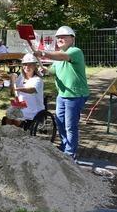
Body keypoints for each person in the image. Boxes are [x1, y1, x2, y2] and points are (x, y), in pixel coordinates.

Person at [33, 26, 89, 158]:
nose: (60, 39)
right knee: (60, 122)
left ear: (72, 39)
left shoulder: (75, 51)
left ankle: (70, 153)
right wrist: (44, 71)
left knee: (70, 125)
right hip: (63, 95)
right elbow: (52, 70)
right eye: (58, 37)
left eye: (63, 37)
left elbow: (63, 57)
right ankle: (65, 145)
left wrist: (43, 53)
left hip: (75, 95)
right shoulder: (57, 59)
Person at [5, 53, 45, 127]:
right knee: (8, 115)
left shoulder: (38, 79)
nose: (27, 67)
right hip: (21, 106)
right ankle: (8, 134)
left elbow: (31, 90)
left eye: (30, 65)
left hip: (33, 109)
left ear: (34, 66)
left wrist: (17, 89)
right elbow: (12, 89)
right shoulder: (21, 77)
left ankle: (18, 134)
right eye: (25, 64)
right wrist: (12, 80)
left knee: (17, 118)